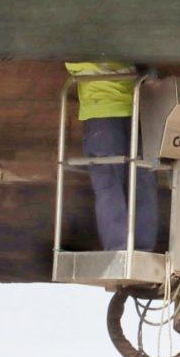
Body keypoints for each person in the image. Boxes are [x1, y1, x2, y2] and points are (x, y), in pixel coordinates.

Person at [64, 62, 158, 251]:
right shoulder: (125, 49)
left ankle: (119, 249)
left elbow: (71, 61)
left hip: (102, 114)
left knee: (109, 184)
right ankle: (142, 250)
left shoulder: (82, 46)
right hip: (135, 110)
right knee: (142, 180)